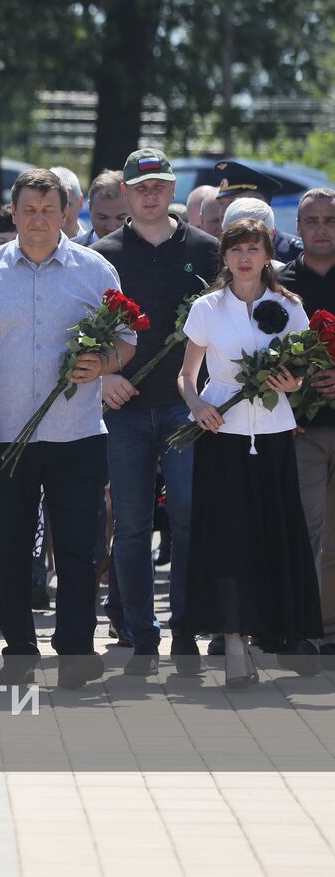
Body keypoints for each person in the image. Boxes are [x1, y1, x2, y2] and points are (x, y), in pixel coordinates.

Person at [0, 169, 136, 689]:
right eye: (28, 210)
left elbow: (126, 344)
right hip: (6, 438)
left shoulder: (95, 271)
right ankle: (19, 652)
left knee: (78, 550)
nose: (38, 219)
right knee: (10, 550)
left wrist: (104, 364)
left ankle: (75, 650)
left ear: (66, 213)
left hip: (77, 435)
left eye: (48, 210)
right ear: (14, 211)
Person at [178, 218, 322, 686]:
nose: (245, 258)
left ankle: (272, 636)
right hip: (223, 435)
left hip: (276, 433)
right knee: (228, 540)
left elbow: (299, 373)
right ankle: (233, 641)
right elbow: (187, 375)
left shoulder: (290, 306)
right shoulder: (206, 308)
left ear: (267, 255)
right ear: (224, 257)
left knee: (272, 536)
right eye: (236, 249)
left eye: (254, 249)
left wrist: (292, 383)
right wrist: (197, 404)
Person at [91, 148, 218, 675]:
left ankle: (186, 629)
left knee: (189, 523)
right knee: (134, 526)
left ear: (171, 189)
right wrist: (102, 376)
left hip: (188, 407)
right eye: (139, 187)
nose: (149, 195)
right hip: (125, 409)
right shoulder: (103, 254)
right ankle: (141, 634)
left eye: (159, 185)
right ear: (124, 191)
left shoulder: (208, 250)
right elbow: (79, 328)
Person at [278, 187, 335, 653]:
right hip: (299, 429)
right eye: (312, 221)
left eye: (330, 220)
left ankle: (330, 629)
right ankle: (305, 629)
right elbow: (261, 355)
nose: (321, 228)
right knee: (305, 531)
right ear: (298, 229)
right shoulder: (280, 285)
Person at [213, 159, 304, 261]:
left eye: (233, 203)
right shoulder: (216, 252)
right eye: (221, 203)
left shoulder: (296, 255)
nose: (222, 213)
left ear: (260, 204)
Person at [73, 170, 128, 247]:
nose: (111, 227)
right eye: (103, 218)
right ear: (90, 207)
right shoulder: (69, 253)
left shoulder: (148, 253)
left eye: (121, 218)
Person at [50, 166, 85, 240]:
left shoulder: (93, 247)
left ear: (80, 202)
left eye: (68, 204)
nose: (61, 213)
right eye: (52, 206)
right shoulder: (26, 247)